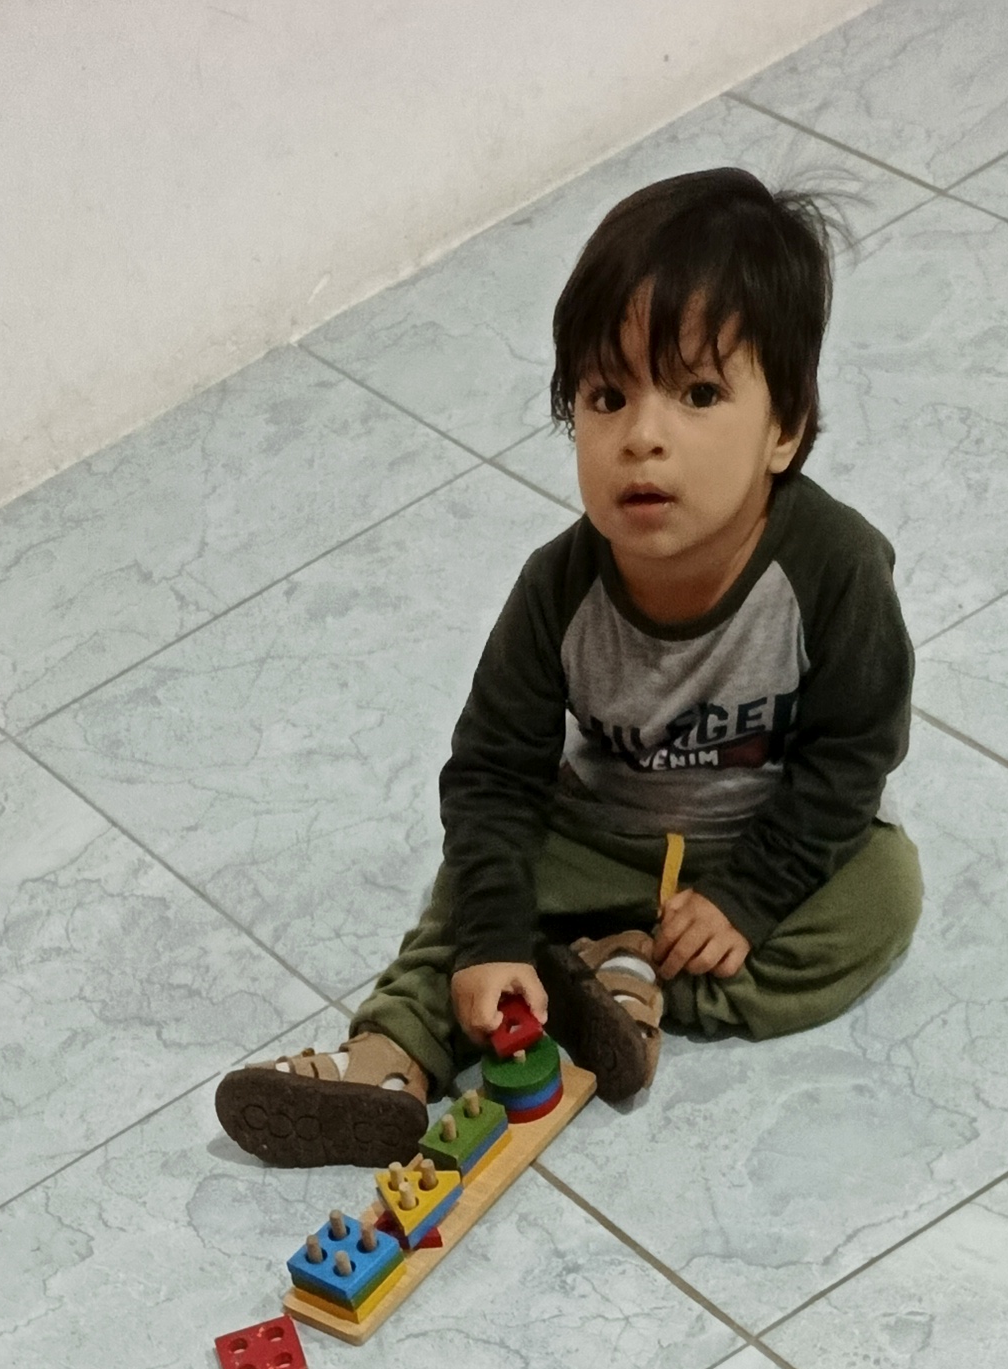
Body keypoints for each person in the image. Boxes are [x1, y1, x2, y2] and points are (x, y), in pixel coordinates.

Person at [218, 164, 918, 1164]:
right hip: (598, 837)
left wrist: (751, 897)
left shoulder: (835, 569)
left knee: (883, 891)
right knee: (471, 890)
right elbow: (493, 773)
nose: (643, 437)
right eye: (606, 395)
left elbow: (853, 757)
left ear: (785, 428)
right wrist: (494, 935)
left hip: (755, 840)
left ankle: (634, 978)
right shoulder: (557, 590)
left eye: (699, 393)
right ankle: (392, 1055)